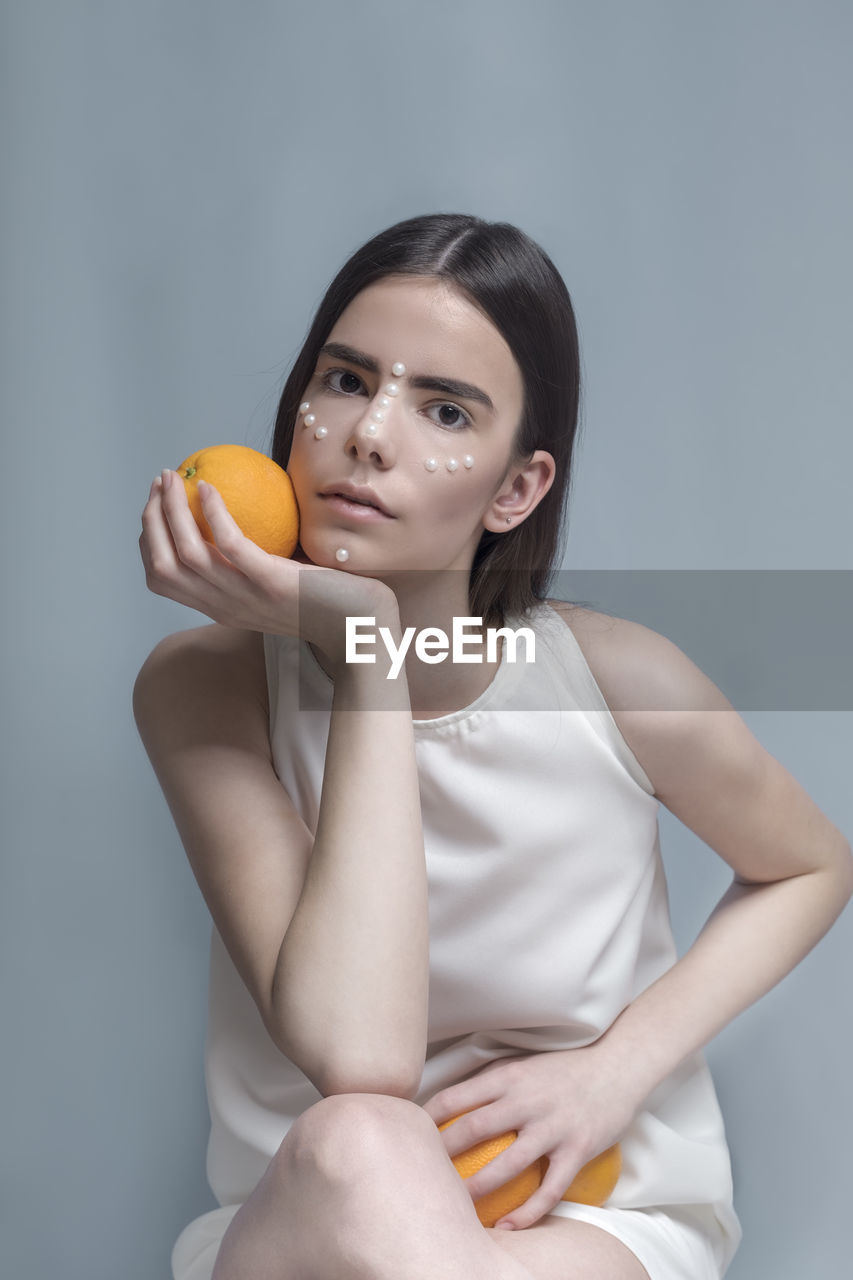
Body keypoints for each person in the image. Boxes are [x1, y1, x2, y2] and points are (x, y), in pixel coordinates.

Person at [134, 213, 852, 1280]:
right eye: (343, 380)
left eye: (443, 408)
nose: (369, 433)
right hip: (300, 1227)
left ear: (515, 489)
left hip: (583, 1228)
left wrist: (615, 1068)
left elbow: (811, 862)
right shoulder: (206, 689)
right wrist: (368, 652)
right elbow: (361, 1057)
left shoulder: (616, 680)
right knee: (353, 1143)